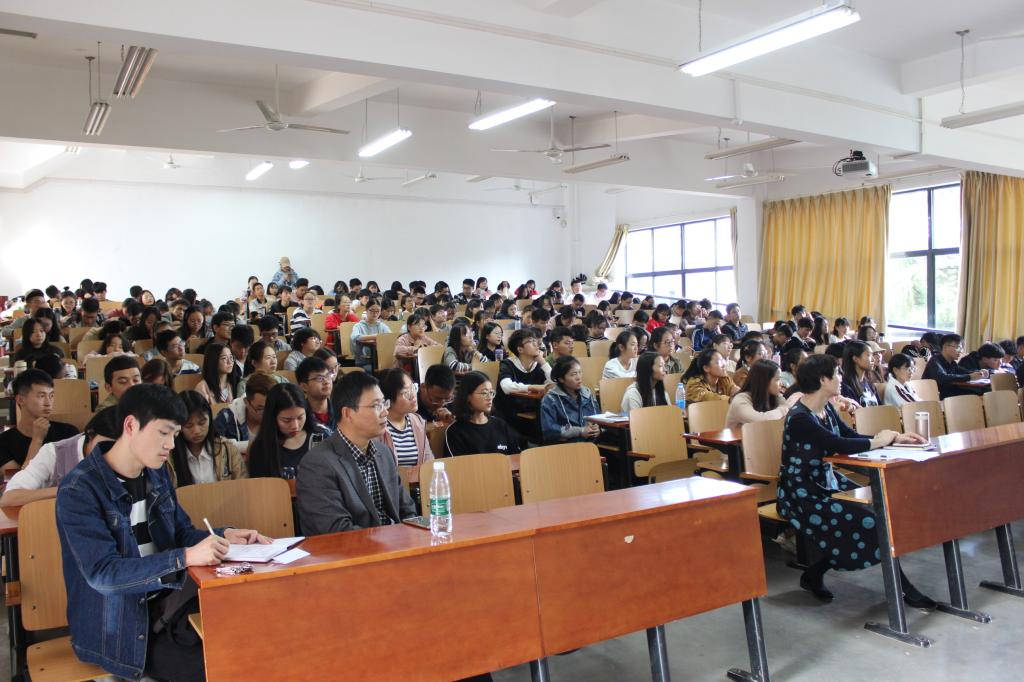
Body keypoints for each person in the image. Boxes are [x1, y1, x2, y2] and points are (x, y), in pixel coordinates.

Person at [55, 384, 269, 681]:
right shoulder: (79, 490)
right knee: (224, 667)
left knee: (261, 639)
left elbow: (181, 534)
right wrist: (184, 557)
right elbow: (103, 574)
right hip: (123, 628)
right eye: (163, 433)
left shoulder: (155, 473)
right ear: (131, 425)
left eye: (175, 434)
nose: (170, 444)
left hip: (168, 606)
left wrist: (224, 536)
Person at [776, 354, 934, 606]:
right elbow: (837, 444)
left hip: (826, 481)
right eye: (836, 374)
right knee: (872, 522)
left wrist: (893, 438)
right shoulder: (799, 418)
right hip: (802, 492)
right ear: (822, 380)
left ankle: (814, 573)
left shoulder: (826, 408)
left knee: (879, 512)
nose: (840, 378)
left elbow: (848, 435)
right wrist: (880, 440)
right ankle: (904, 588)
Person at [297, 371, 418, 534]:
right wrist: (389, 540)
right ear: (348, 413)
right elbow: (336, 531)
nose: (385, 412)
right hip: (354, 548)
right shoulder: (317, 464)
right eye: (376, 406)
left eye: (384, 403)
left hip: (396, 543)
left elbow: (407, 510)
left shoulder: (384, 453)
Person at [1, 407, 118, 507]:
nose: (113, 455)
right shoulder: (54, 453)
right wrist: (71, 489)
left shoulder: (126, 456)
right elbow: (9, 498)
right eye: (106, 446)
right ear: (91, 434)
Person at [248, 383, 330, 480]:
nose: (295, 426)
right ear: (273, 418)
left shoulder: (323, 436)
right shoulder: (261, 448)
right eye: (286, 420)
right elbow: (261, 486)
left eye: (300, 417)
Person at [0, 369, 79, 469]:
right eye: (41, 396)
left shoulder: (68, 433)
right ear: (20, 400)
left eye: (51, 395)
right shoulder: (3, 442)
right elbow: (21, 478)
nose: (48, 403)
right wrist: (37, 440)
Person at [166, 391, 247, 486]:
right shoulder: (168, 458)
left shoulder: (227, 449)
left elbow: (242, 485)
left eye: (202, 423)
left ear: (210, 419)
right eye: (188, 425)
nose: (196, 431)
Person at [444, 371, 523, 456]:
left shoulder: (501, 425)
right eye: (484, 393)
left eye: (491, 393)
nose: (490, 398)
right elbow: (458, 463)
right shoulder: (455, 432)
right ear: (468, 396)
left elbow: (516, 458)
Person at [379, 368, 435, 467]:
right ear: (389, 399)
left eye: (413, 388)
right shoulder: (379, 426)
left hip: (417, 477)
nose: (413, 396)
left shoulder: (417, 421)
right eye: (406, 393)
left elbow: (428, 460)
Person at [496, 329, 551, 428]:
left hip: (534, 409)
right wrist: (532, 387)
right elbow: (506, 386)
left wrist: (543, 362)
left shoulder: (539, 365)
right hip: (510, 413)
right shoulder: (508, 364)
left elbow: (554, 384)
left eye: (535, 340)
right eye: (530, 341)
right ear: (520, 349)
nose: (536, 344)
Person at [539, 356, 600, 444]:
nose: (578, 377)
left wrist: (597, 429)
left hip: (590, 444)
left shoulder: (587, 394)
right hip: (564, 446)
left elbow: (598, 418)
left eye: (580, 372)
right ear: (561, 379)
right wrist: (579, 431)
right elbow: (549, 430)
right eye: (573, 374)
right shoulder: (550, 399)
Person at [725, 359, 797, 429]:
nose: (781, 383)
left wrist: (785, 406)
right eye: (778, 379)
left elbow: (786, 409)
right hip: (738, 437)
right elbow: (760, 421)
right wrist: (783, 409)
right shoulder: (740, 400)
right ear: (764, 382)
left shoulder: (773, 396)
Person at [923, 333, 987, 399]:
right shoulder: (935, 361)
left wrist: (979, 373)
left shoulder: (952, 363)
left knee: (982, 392)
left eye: (961, 348)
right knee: (975, 397)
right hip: (935, 395)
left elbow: (964, 372)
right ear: (945, 347)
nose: (960, 351)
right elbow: (942, 378)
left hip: (949, 392)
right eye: (958, 348)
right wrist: (969, 376)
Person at [297, 356, 335, 433]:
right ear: (304, 386)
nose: (326, 382)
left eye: (328, 376)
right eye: (319, 378)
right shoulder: (299, 417)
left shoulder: (340, 409)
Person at [351, 298, 391, 370]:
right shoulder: (358, 326)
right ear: (366, 310)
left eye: (377, 311)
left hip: (380, 360)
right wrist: (375, 337)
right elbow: (354, 337)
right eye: (372, 310)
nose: (375, 314)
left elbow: (391, 337)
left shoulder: (382, 326)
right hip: (364, 361)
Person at [417, 364, 456, 432]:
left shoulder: (452, 404)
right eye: (437, 399)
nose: (442, 404)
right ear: (423, 387)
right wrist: (421, 429)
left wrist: (453, 422)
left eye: (447, 399)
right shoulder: (410, 406)